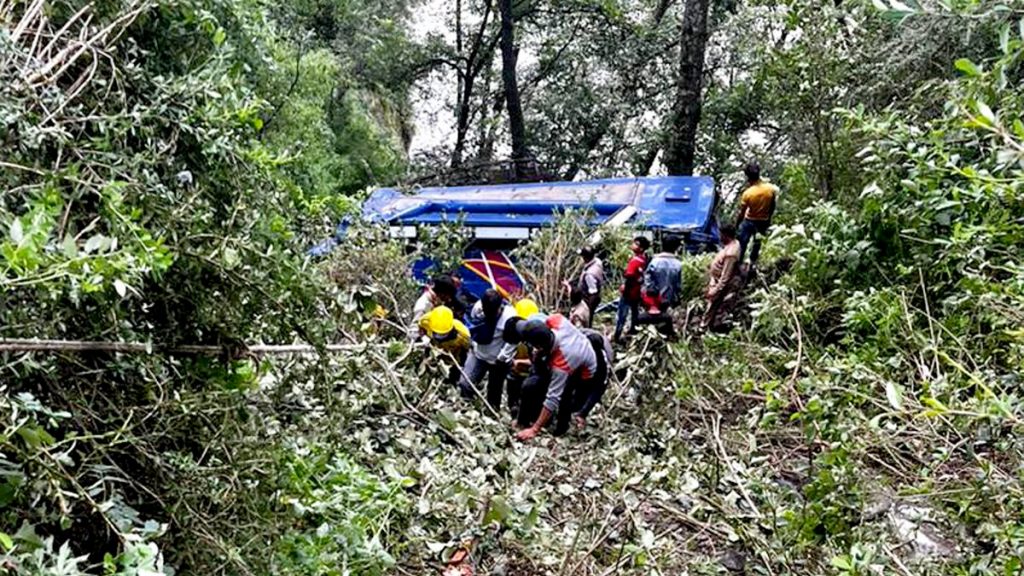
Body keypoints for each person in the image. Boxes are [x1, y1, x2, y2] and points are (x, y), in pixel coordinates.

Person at [508, 314, 597, 441]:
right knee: (534, 382)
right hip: (576, 346)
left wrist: (535, 430)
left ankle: (560, 429)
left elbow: (553, 397)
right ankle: (529, 418)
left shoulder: (561, 364)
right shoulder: (556, 319)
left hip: (583, 372)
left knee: (564, 397)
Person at [459, 290, 518, 411]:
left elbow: (513, 341)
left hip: (498, 360)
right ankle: (468, 408)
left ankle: (492, 412)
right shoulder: (478, 310)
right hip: (478, 353)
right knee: (465, 383)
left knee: (494, 393)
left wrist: (502, 357)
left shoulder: (510, 317)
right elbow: (473, 326)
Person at [502, 298, 543, 418]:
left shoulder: (538, 339)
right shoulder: (516, 335)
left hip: (531, 374)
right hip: (517, 372)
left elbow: (541, 362)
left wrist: (521, 362)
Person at [638, 234, 683, 337]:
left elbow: (648, 280)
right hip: (668, 298)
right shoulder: (677, 264)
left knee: (649, 319)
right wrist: (677, 297)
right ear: (676, 248)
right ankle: (665, 334)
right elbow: (678, 285)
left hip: (652, 297)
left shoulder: (655, 262)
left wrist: (650, 292)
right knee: (664, 317)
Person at [735, 162, 779, 267]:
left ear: (747, 177)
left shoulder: (748, 193)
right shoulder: (770, 189)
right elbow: (772, 206)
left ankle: (738, 262)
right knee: (757, 242)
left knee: (742, 242)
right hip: (763, 221)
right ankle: (752, 263)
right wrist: (769, 218)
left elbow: (742, 212)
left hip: (749, 220)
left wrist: (737, 224)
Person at [702, 224, 743, 330]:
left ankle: (704, 327)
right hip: (716, 279)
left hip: (720, 282)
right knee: (712, 304)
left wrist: (716, 289)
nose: (719, 237)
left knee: (713, 304)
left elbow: (726, 275)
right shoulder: (733, 244)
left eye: (721, 234)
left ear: (725, 235)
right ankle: (707, 324)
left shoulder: (731, 254)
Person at [417, 305, 470, 382]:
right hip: (433, 347)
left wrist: (461, 366)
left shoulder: (463, 334)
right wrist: (423, 337)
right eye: (437, 333)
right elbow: (420, 327)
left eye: (443, 334)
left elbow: (467, 351)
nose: (440, 336)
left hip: (453, 356)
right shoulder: (426, 320)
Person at [573, 328, 613, 429]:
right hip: (584, 366)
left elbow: (598, 390)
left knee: (587, 393)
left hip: (596, 375)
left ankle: (579, 410)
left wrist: (583, 413)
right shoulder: (579, 343)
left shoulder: (603, 363)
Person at [613, 236, 650, 341]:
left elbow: (629, 277)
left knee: (622, 314)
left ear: (641, 248)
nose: (633, 245)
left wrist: (625, 290)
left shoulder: (634, 261)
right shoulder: (644, 259)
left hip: (629, 292)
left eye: (636, 244)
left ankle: (617, 335)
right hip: (637, 292)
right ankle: (634, 330)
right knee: (635, 312)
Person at [409, 274, 463, 340]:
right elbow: (413, 330)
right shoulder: (423, 306)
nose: (449, 299)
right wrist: (423, 338)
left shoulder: (436, 302)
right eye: (448, 296)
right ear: (442, 293)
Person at [565, 247, 603, 326]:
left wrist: (588, 308)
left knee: (585, 317)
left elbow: (593, 292)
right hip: (596, 294)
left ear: (585, 258)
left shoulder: (589, 275)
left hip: (589, 299)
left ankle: (588, 328)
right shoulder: (597, 262)